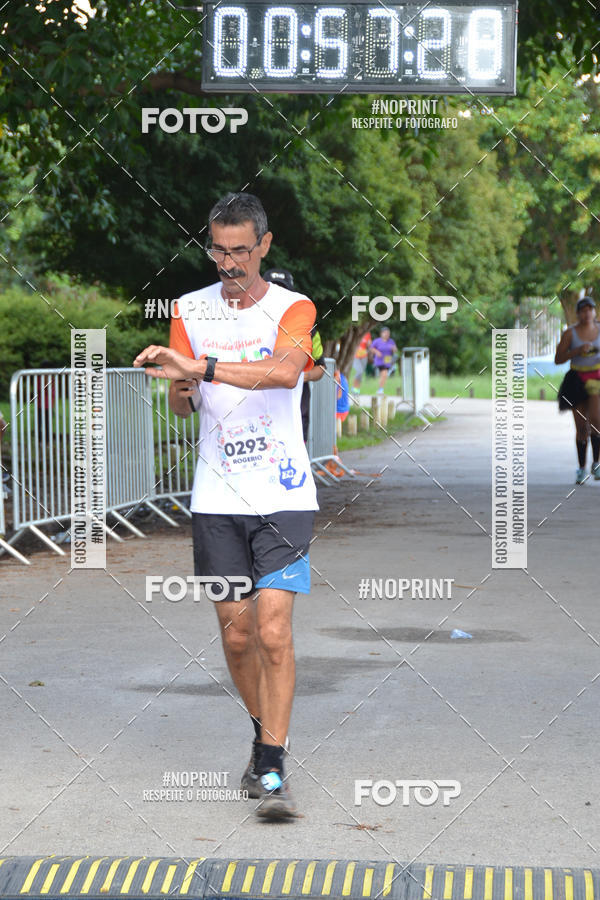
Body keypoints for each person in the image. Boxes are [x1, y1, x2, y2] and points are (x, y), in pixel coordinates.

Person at [134, 192, 319, 820]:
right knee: (238, 637)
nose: (229, 262)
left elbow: (286, 372)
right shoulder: (188, 309)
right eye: (218, 250)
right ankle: (264, 735)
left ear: (264, 245)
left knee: (273, 629)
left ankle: (272, 764)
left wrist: (201, 365)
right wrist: (181, 385)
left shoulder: (293, 307)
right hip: (216, 496)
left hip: (283, 494)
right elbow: (181, 401)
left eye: (241, 250)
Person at [263, 269, 326, 442]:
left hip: (296, 412)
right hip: (257, 414)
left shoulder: (308, 328)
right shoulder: (247, 323)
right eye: (273, 290)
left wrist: (298, 376)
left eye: (283, 291)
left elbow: (320, 368)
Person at [556, 296, 600, 483]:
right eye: (583, 310)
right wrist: (577, 351)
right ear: (578, 314)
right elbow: (558, 359)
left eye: (590, 310)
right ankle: (581, 468)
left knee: (596, 421)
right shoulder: (570, 333)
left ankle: (596, 464)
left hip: (597, 377)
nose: (587, 313)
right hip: (576, 379)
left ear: (594, 312)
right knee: (581, 426)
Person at [370, 326, 398, 394]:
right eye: (385, 333)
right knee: (384, 374)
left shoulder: (391, 341)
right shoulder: (377, 341)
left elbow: (395, 350)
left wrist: (393, 349)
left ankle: (380, 388)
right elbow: (371, 348)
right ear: (381, 333)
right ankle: (380, 389)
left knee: (384, 375)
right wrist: (377, 352)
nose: (387, 334)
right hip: (379, 360)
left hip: (387, 360)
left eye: (388, 333)